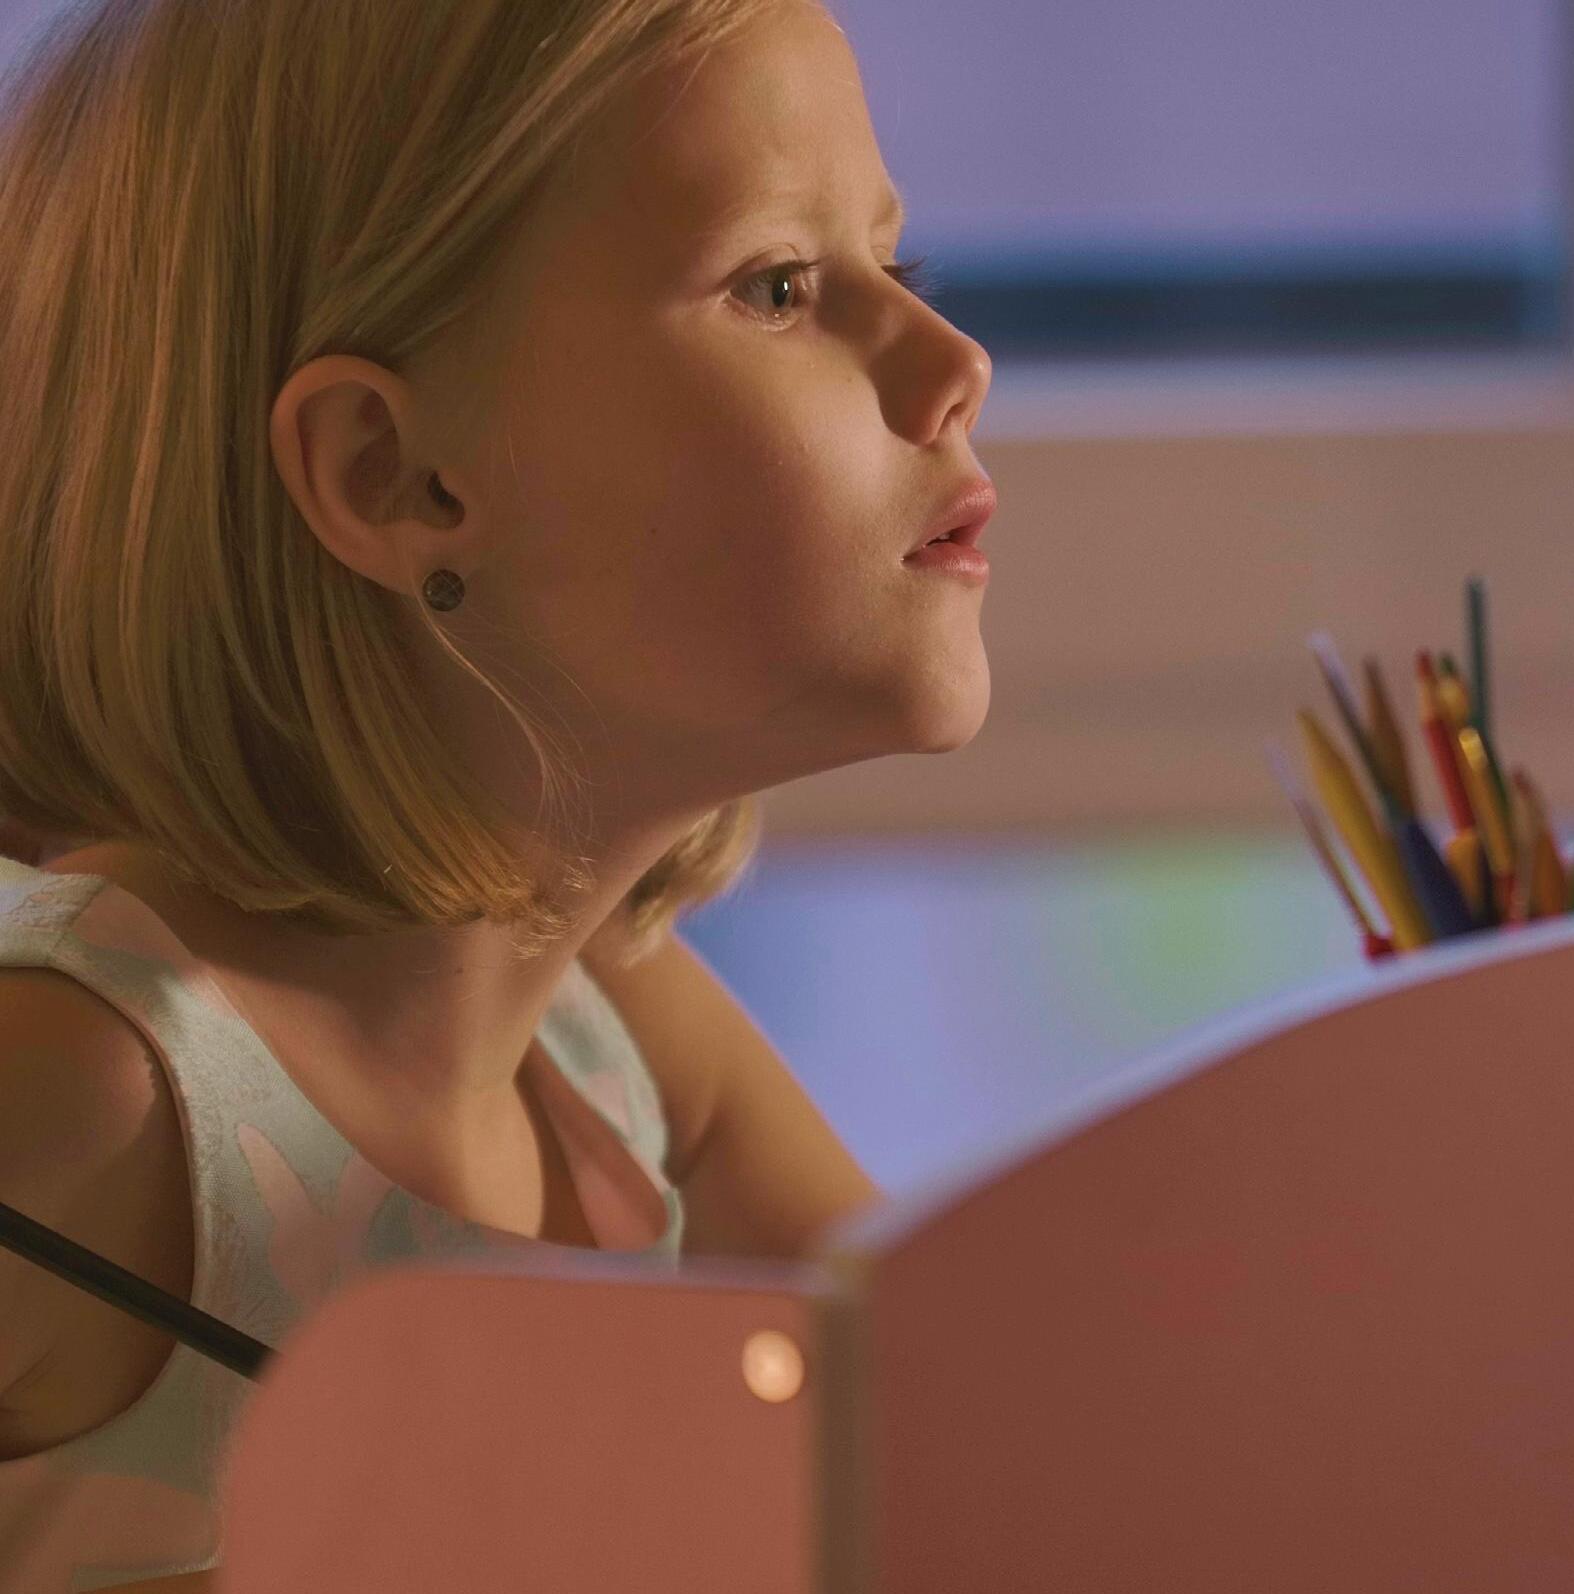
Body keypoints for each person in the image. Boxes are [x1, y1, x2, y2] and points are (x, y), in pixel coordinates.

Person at [0, 0, 996, 1584]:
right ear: (394, 474)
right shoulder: (79, 1091)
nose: (954, 363)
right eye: (778, 285)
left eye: (898, 263)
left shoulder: (608, 1040)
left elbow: (998, 1434)